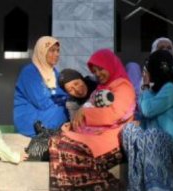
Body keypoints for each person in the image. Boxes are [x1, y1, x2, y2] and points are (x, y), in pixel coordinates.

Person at [48, 48, 136, 191]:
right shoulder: (100, 89)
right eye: (94, 71)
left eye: (100, 69)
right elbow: (85, 112)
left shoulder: (123, 86)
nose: (98, 74)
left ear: (110, 64)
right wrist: (71, 125)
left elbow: (116, 113)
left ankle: (108, 186)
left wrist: (85, 114)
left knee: (63, 145)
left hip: (113, 139)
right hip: (95, 137)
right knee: (56, 140)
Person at [122, 49, 173, 191]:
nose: (147, 73)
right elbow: (144, 115)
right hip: (151, 143)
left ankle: (158, 187)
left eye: (149, 69)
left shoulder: (171, 88)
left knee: (152, 134)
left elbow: (148, 110)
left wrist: (144, 86)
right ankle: (136, 186)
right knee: (129, 130)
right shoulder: (152, 92)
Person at [13, 36, 68, 137]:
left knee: (71, 108)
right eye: (52, 51)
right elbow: (41, 102)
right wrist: (61, 100)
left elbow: (64, 96)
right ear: (42, 52)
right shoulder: (29, 72)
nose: (56, 54)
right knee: (62, 110)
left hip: (47, 113)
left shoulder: (54, 73)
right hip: (29, 118)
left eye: (58, 51)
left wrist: (63, 100)